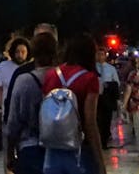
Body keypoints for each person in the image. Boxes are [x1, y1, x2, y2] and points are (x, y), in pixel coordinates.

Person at [39, 34, 106, 174]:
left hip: (52, 149)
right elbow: (90, 123)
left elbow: (44, 111)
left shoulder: (51, 74)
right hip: (79, 149)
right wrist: (100, 161)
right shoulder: (90, 78)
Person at [4, 31, 57, 174]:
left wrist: (9, 154)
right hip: (60, 149)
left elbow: (13, 122)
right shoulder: (63, 79)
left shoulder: (24, 80)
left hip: (30, 148)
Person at [0, 36, 31, 129]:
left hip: (28, 117)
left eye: (23, 52)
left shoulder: (32, 68)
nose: (20, 55)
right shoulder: (3, 67)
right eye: (17, 52)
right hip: (8, 115)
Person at [95, 46, 122, 147]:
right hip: (97, 96)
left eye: (102, 54)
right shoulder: (92, 68)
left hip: (107, 96)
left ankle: (105, 137)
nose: (100, 56)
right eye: (98, 54)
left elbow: (117, 82)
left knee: (107, 118)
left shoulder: (111, 69)